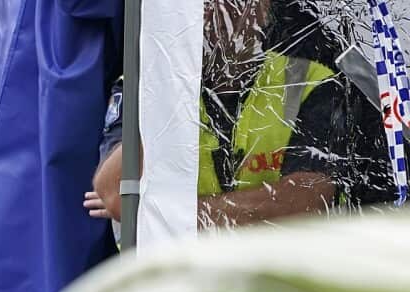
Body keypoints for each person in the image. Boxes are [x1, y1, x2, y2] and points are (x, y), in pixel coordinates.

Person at [88, 0, 392, 228]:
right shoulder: (148, 86)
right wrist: (168, 87)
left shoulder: (308, 81)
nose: (220, 16)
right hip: (179, 288)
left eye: (234, 5)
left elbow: (304, 203)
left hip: (278, 286)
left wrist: (164, 219)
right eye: (205, 6)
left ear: (263, 10)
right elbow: (117, 194)